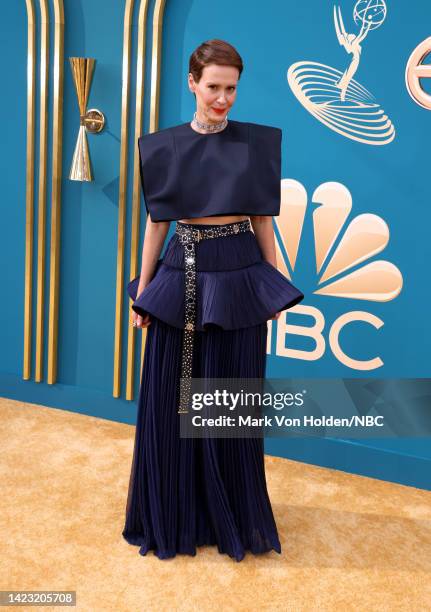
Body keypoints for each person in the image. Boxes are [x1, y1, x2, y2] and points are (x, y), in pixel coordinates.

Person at [122, 38, 305, 562]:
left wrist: (273, 284)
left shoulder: (256, 144)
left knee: (230, 406)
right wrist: (142, 291)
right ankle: (175, 515)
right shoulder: (161, 147)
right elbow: (156, 226)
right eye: (213, 87)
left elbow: (263, 220)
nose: (223, 99)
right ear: (192, 83)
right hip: (182, 275)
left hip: (241, 275)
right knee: (173, 402)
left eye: (231, 89)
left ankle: (231, 516)